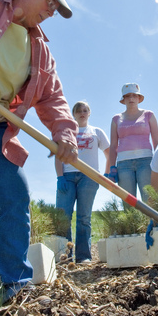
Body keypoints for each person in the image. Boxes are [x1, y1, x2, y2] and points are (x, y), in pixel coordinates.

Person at [0, 0, 79, 302]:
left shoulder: (40, 51)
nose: (51, 13)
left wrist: (65, 133)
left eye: (55, 10)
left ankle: (15, 289)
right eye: (49, 3)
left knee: (14, 194)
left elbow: (52, 99)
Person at [55, 101, 110, 263]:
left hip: (89, 177)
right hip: (67, 177)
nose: (82, 113)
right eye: (78, 111)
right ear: (74, 114)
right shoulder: (66, 132)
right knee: (63, 217)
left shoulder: (96, 132)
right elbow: (58, 155)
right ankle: (65, 257)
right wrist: (60, 177)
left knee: (84, 218)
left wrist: (106, 173)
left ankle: (83, 256)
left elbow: (109, 152)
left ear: (89, 113)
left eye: (85, 110)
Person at [108, 83, 158, 208]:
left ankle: (154, 227)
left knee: (150, 201)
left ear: (139, 98)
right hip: (124, 165)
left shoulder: (149, 115)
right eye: (127, 96)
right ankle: (131, 228)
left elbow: (156, 141)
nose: (131, 99)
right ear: (123, 99)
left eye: (134, 96)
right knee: (128, 204)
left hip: (146, 162)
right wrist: (112, 167)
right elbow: (113, 145)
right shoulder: (116, 119)